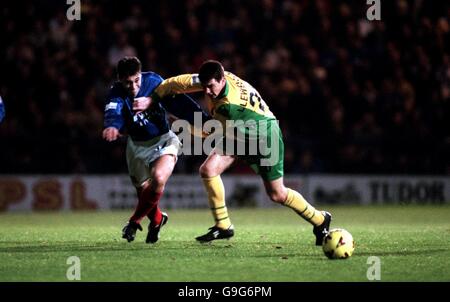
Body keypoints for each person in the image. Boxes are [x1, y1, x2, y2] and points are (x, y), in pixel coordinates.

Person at [136, 60, 332, 245]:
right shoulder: (216, 79)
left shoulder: (228, 106)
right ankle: (223, 225)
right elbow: (175, 83)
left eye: (211, 86)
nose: (206, 91)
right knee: (208, 170)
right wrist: (152, 98)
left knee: (277, 194)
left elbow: (210, 131)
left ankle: (321, 219)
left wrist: (182, 126)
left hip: (263, 135)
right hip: (240, 131)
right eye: (203, 86)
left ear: (222, 80)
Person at [103, 56, 209, 244]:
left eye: (136, 80)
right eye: (128, 83)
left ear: (140, 75)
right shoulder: (116, 92)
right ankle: (158, 220)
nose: (134, 86)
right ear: (120, 79)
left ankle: (134, 222)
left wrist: (204, 121)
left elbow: (180, 103)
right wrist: (112, 125)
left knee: (158, 178)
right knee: (144, 191)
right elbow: (114, 110)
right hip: (136, 145)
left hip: (164, 139)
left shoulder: (154, 81)